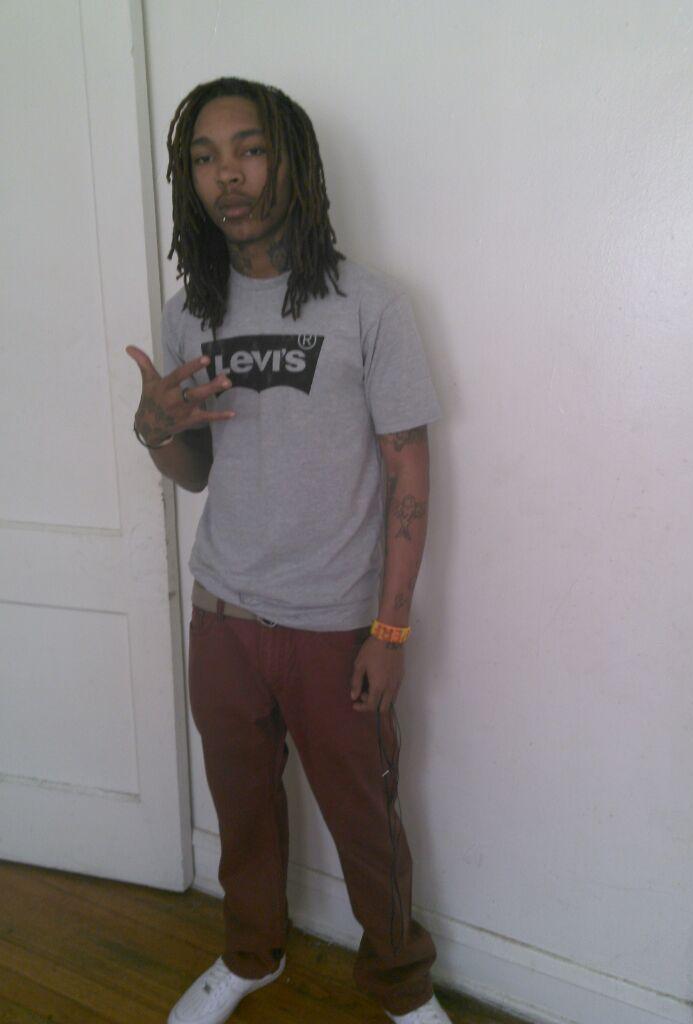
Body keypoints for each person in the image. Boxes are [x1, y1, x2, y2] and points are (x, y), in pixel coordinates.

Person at [127, 76, 449, 1024]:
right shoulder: (190, 313)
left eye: (249, 149)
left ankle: (402, 988)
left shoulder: (369, 305)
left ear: (292, 162)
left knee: (367, 826)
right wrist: (154, 430)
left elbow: (409, 471)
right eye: (204, 157)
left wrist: (390, 629)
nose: (226, 175)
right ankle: (250, 956)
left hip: (334, 628)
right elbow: (194, 474)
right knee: (243, 817)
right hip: (223, 616)